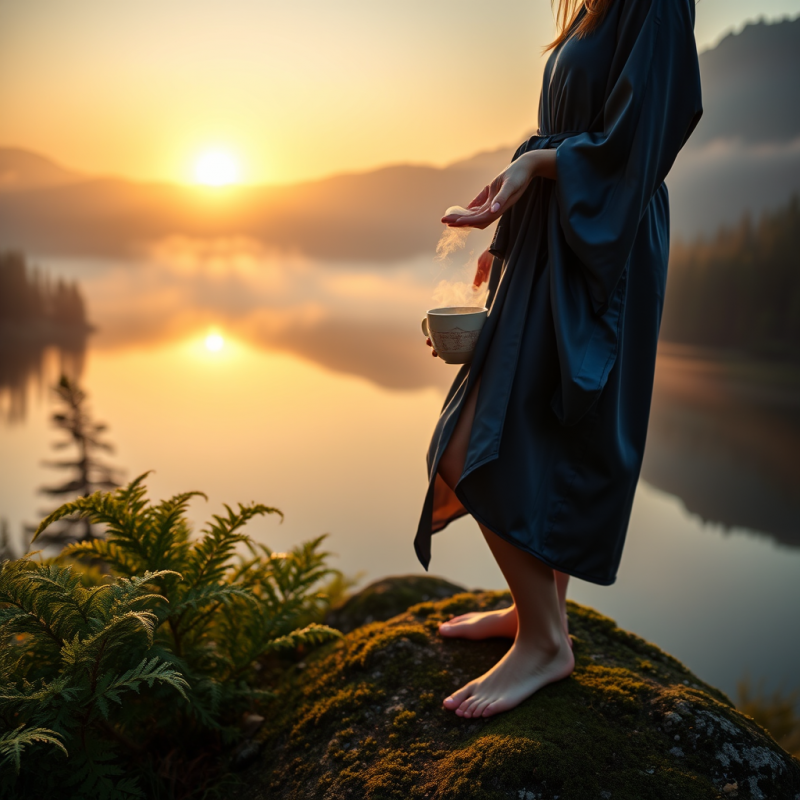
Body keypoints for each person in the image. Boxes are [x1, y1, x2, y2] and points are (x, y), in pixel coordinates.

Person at [417, 0, 703, 719]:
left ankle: (546, 642)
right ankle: (533, 613)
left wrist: (538, 166)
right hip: (556, 240)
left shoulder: (658, 5)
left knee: (467, 446)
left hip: (602, 253)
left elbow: (636, 144)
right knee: (547, 430)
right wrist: (509, 231)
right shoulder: (591, 8)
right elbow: (565, 139)